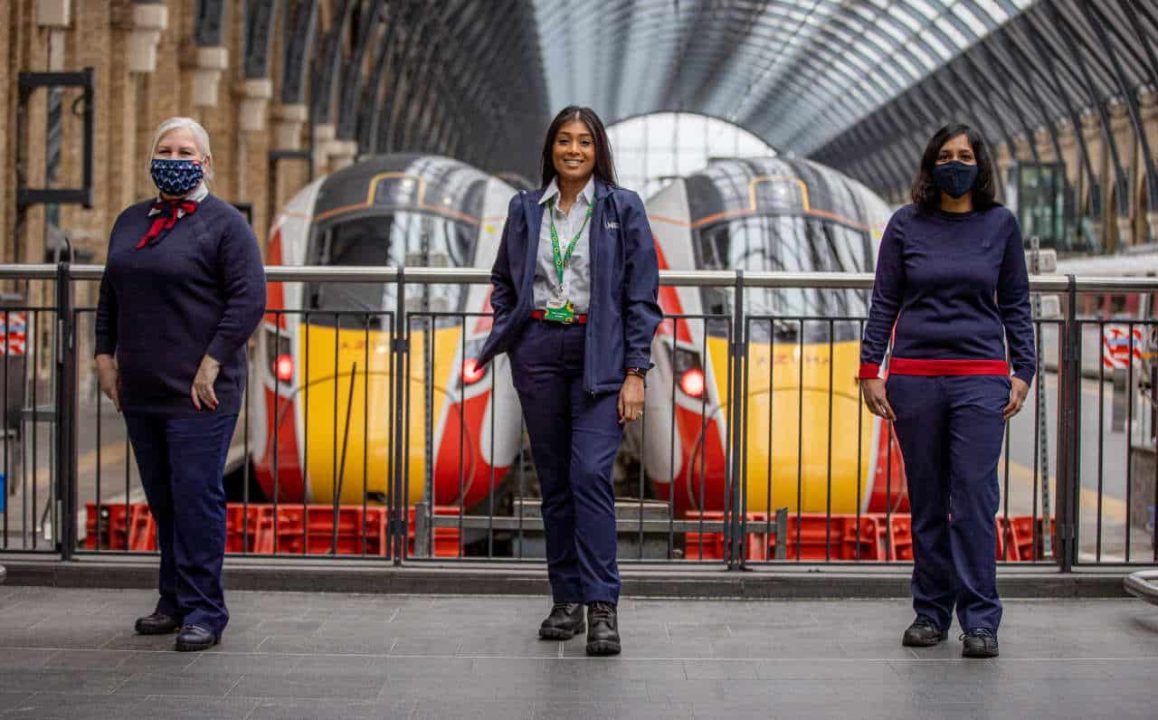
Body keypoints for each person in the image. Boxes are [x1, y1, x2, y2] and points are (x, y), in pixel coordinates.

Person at [477, 106, 661, 656]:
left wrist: (636, 372)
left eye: (584, 141)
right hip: (538, 351)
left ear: (598, 149)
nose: (574, 150)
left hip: (597, 354)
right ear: (551, 149)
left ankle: (603, 606)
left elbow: (641, 295)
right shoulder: (523, 209)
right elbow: (503, 280)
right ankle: (566, 600)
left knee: (589, 476)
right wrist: (512, 330)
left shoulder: (621, 208)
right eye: (564, 140)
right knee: (555, 484)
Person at [859, 124, 1035, 659]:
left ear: (980, 165)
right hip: (914, 378)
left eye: (965, 155)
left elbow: (1016, 304)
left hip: (980, 379)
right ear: (929, 164)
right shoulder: (905, 225)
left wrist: (1023, 369)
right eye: (945, 155)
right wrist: (871, 367)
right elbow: (884, 300)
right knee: (929, 501)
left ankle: (980, 619)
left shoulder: (1000, 225)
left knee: (976, 501)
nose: (955, 163)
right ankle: (930, 612)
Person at [94, 117, 266, 652]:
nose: (174, 157)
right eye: (164, 148)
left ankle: (205, 611)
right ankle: (172, 600)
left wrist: (213, 360)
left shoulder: (226, 225)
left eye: (185, 150)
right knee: (165, 501)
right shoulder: (130, 221)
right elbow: (110, 296)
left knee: (196, 499)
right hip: (142, 387)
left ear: (205, 163)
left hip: (199, 392)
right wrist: (104, 357)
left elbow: (248, 299)